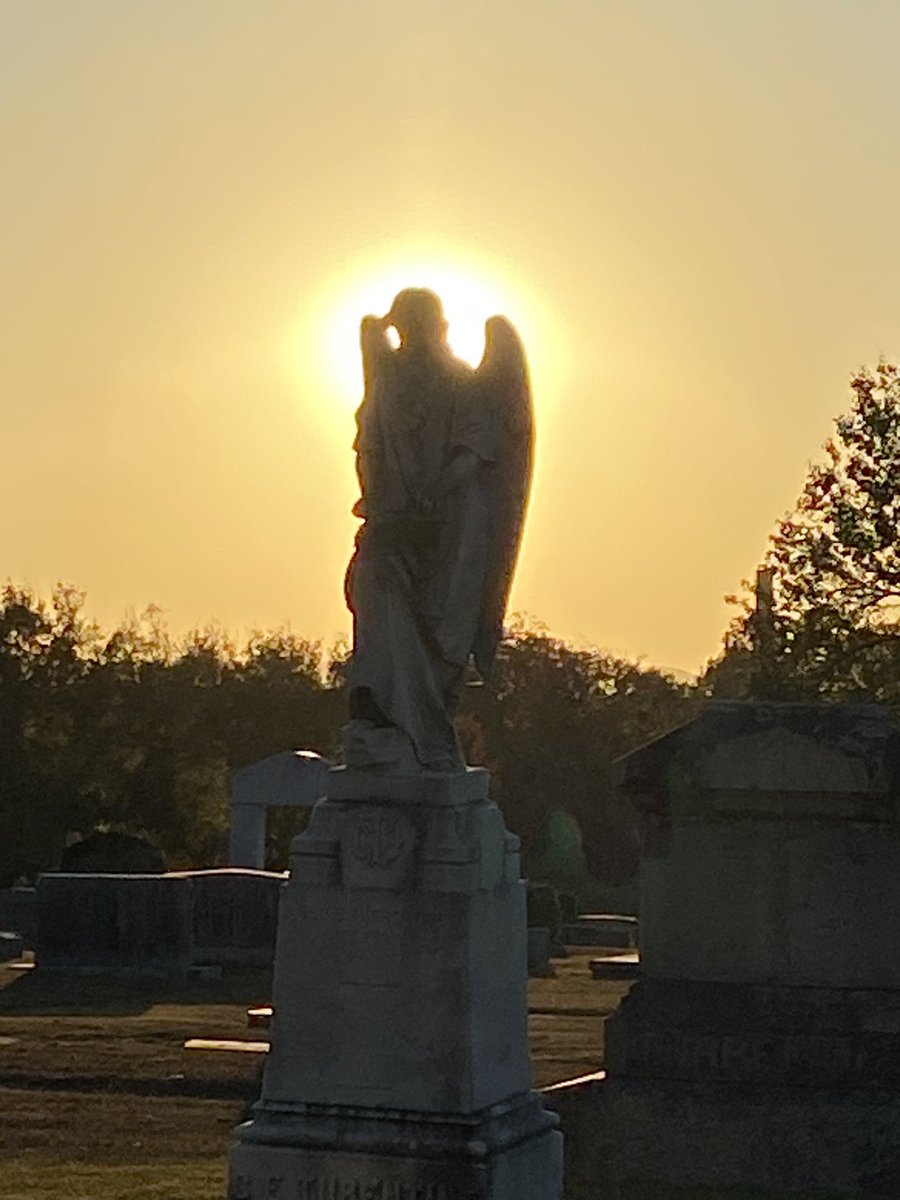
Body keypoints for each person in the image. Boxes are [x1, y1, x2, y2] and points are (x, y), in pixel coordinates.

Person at [344, 287, 531, 773]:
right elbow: (370, 444)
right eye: (399, 330)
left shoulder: (464, 385)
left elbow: (474, 453)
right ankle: (383, 710)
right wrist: (383, 495)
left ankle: (426, 730)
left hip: (455, 524)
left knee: (441, 627)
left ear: (434, 329)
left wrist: (432, 494)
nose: (406, 340)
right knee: (373, 580)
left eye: (413, 328)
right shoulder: (386, 382)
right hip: (398, 517)